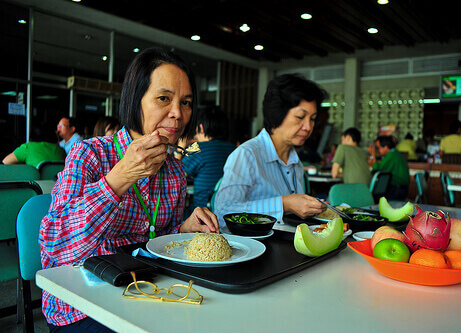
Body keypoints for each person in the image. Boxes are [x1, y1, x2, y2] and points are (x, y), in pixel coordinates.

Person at [39, 47, 219, 331]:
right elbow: (55, 249)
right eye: (164, 98)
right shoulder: (90, 155)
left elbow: (160, 243)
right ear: (136, 100)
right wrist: (120, 178)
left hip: (149, 293)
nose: (178, 113)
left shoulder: (173, 171)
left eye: (186, 102)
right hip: (84, 306)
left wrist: (184, 229)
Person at [214, 74, 328, 225]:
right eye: (300, 116)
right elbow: (223, 211)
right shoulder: (247, 155)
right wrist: (284, 204)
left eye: (312, 119)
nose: (308, 127)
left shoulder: (296, 163)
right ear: (276, 115)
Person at [177, 106, 236, 215]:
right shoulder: (234, 149)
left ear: (201, 128)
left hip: (203, 214)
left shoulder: (197, 147)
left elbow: (175, 175)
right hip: (229, 213)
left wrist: (180, 149)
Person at [368, 135, 410, 200]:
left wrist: (373, 155)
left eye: (378, 148)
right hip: (401, 188)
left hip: (397, 190)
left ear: (386, 147)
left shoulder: (391, 155)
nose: (377, 150)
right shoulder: (395, 153)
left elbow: (376, 170)